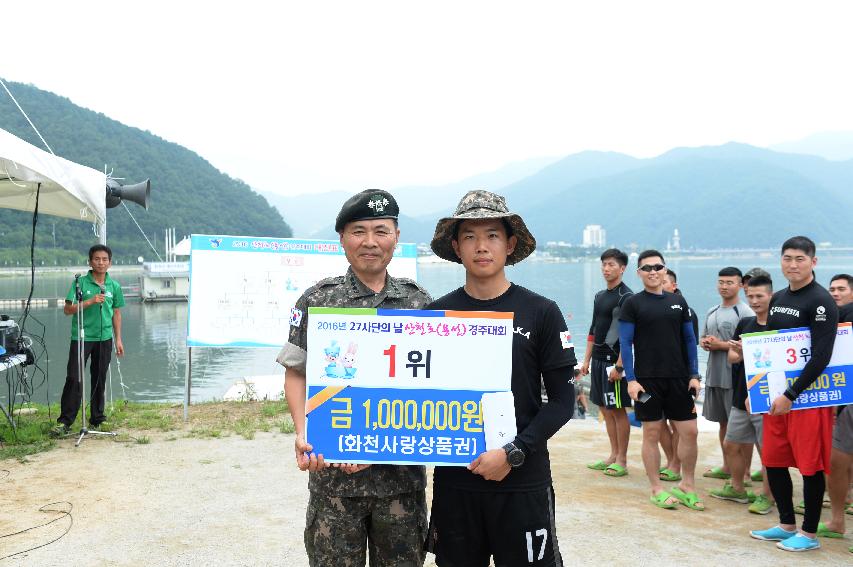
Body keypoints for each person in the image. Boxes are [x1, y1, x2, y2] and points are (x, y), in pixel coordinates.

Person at [277, 189, 432, 567]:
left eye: (381, 231)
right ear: (343, 239)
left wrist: (380, 445)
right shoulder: (317, 300)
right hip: (334, 486)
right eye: (358, 231)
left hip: (400, 487)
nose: (370, 242)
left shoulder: (420, 304)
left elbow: (430, 392)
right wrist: (304, 433)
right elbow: (296, 373)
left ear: (396, 236)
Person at [424, 190, 576, 567]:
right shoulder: (435, 314)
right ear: (456, 247)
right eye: (470, 237)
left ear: (509, 245)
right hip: (456, 482)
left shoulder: (541, 312)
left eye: (492, 235)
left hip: (522, 480)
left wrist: (513, 453)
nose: (481, 246)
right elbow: (416, 397)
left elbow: (561, 402)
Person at [750, 236, 838, 552]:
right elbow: (771, 348)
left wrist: (791, 393)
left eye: (800, 259)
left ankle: (810, 533)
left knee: (810, 464)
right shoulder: (779, 298)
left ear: (813, 262)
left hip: (807, 398)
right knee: (773, 459)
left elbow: (821, 356)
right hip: (777, 397)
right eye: (787, 258)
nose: (793, 264)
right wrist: (757, 391)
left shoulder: (821, 301)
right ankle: (787, 524)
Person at [619, 250, 703, 511]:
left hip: (679, 379)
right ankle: (656, 487)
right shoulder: (632, 304)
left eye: (658, 267)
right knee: (652, 433)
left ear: (665, 270)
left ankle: (687, 485)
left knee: (690, 431)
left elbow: (690, 341)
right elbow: (625, 342)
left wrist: (694, 375)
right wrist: (631, 380)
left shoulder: (678, 302)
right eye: (647, 268)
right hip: (647, 381)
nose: (653, 272)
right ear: (639, 273)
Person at [710, 275, 775, 515]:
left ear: (771, 296)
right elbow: (732, 357)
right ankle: (737, 488)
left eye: (760, 296)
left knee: (767, 449)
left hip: (766, 397)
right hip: (741, 394)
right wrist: (740, 352)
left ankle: (768, 496)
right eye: (751, 296)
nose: (755, 301)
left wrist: (746, 353)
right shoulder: (745, 324)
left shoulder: (777, 325)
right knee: (731, 443)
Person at [52, 244, 125, 436]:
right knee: (74, 377)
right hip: (82, 338)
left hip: (105, 338)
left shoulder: (114, 286)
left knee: (99, 378)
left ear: (110, 262)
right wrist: (90, 302)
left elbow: (116, 313)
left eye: (104, 259)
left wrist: (118, 339)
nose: (101, 263)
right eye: (97, 259)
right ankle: (65, 421)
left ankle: (97, 418)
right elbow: (68, 310)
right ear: (90, 261)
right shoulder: (80, 283)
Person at [580, 248, 633, 477]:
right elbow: (593, 330)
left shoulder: (627, 298)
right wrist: (586, 361)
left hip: (615, 362)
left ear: (622, 268)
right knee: (604, 408)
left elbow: (629, 336)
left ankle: (622, 458)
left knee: (618, 410)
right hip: (599, 360)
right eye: (604, 264)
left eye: (611, 264)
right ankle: (612, 454)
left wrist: (621, 366)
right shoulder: (600, 296)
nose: (606, 269)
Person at [700, 267, 754, 480]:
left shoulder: (746, 312)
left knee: (742, 427)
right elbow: (704, 337)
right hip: (714, 374)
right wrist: (705, 342)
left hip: (735, 377)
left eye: (729, 282)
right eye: (721, 282)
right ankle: (727, 466)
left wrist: (719, 345)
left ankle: (746, 471)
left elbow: (748, 346)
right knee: (723, 422)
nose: (724, 286)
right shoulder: (712, 311)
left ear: (740, 285)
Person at [655, 268, 699, 482]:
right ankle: (672, 459)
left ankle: (676, 465)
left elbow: (691, 346)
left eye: (664, 283)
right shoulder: (648, 309)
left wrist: (694, 376)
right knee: (658, 422)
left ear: (674, 286)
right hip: (653, 379)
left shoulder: (686, 312)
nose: (660, 286)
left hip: (679, 378)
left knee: (679, 424)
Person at [820, 273, 853, 545]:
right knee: (836, 461)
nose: (835, 293)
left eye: (841, 289)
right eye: (832, 289)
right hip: (845, 400)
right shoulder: (834, 316)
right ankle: (838, 521)